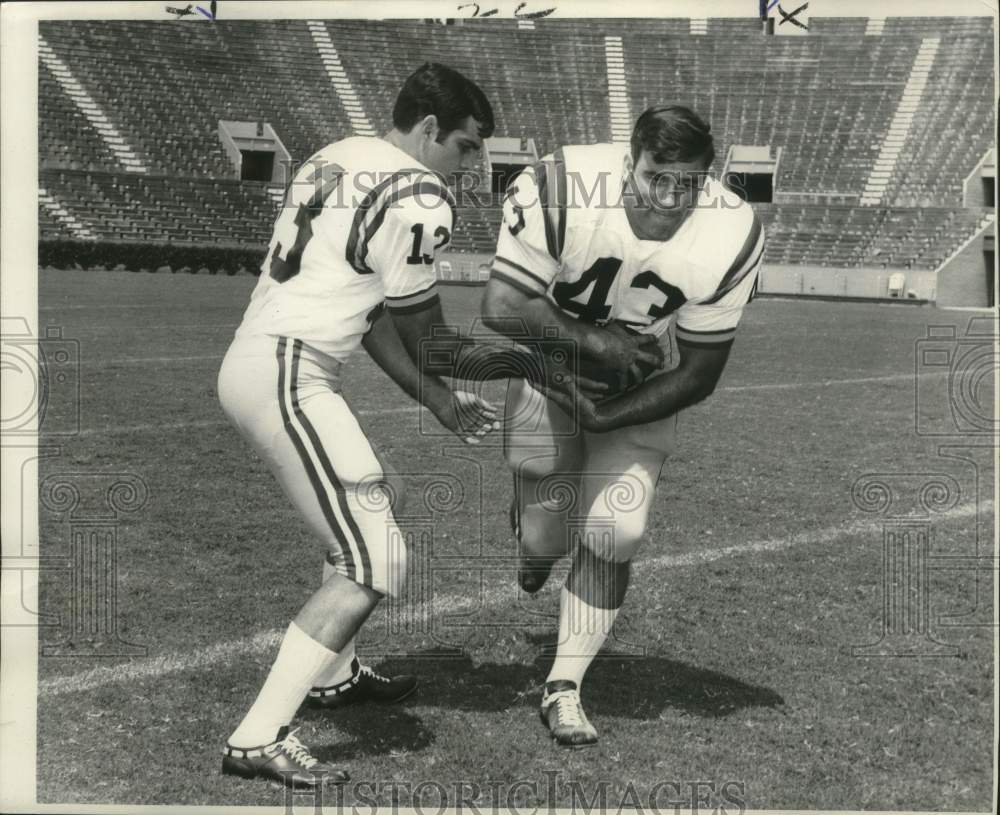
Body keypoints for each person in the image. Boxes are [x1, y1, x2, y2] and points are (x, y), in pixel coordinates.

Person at [217, 63, 526, 788]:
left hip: (270, 358)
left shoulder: (337, 154)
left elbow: (376, 311)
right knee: (375, 559)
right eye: (467, 144)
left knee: (368, 503)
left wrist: (438, 401)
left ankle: (334, 670)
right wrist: (541, 359)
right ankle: (257, 736)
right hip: (289, 371)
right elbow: (432, 340)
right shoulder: (420, 193)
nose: (472, 162)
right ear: (427, 130)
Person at [480, 105, 764, 747]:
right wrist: (596, 345)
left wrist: (610, 406)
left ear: (708, 177)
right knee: (544, 533)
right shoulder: (563, 184)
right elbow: (500, 306)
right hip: (549, 363)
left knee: (618, 527)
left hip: (636, 380)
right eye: (654, 177)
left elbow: (699, 373)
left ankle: (564, 685)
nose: (668, 198)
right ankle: (533, 539)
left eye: (686, 183)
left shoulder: (733, 231)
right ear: (626, 163)